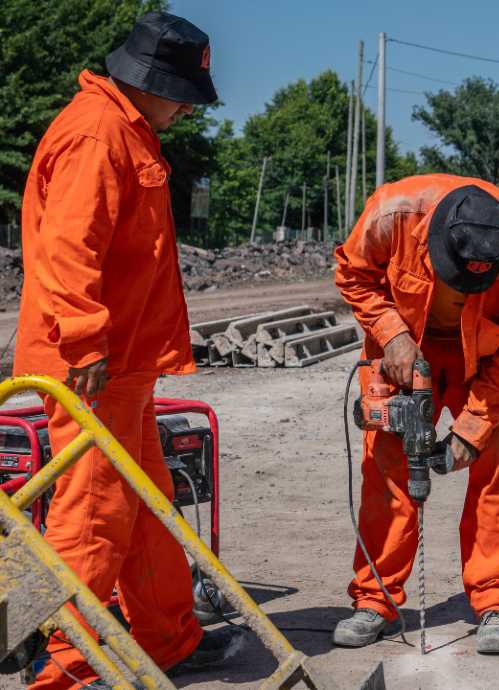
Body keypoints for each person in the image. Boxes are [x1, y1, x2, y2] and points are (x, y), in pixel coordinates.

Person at [13, 12, 244, 689]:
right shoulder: (97, 133)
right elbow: (66, 248)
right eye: (181, 93)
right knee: (94, 514)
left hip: (123, 366)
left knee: (148, 505)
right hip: (93, 366)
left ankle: (167, 638)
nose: (184, 109)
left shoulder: (123, 128)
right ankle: (64, 668)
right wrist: (85, 338)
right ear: (149, 81)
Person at [333, 174, 499, 654]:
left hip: (485, 359)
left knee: (493, 473)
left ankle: (497, 602)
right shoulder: (392, 213)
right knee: (388, 472)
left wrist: (469, 433)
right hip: (403, 350)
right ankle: (375, 598)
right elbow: (352, 273)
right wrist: (392, 334)